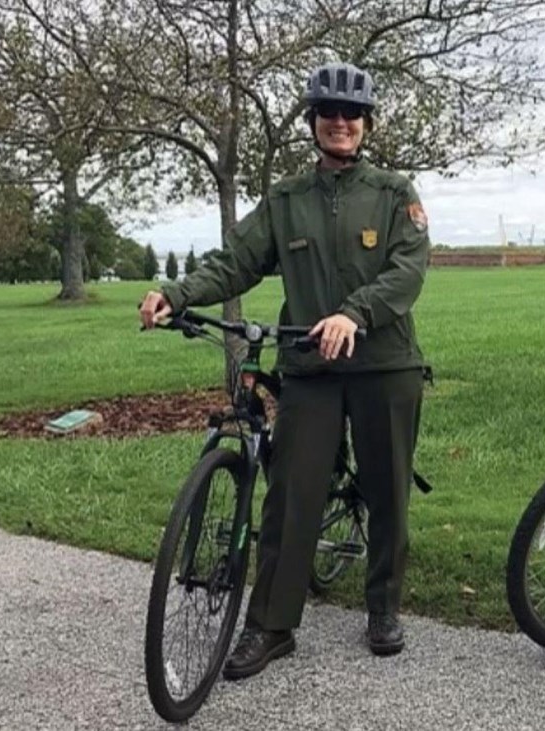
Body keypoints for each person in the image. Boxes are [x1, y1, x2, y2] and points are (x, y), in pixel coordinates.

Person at [139, 61, 431, 678]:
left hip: (384, 363)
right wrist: (180, 293)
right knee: (291, 494)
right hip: (310, 367)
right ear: (314, 123)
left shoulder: (395, 192)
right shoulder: (286, 200)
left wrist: (354, 314)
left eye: (352, 114)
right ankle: (271, 625)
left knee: (387, 491)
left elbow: (407, 272)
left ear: (367, 123)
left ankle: (383, 607)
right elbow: (235, 262)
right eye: (329, 113)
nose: (341, 123)